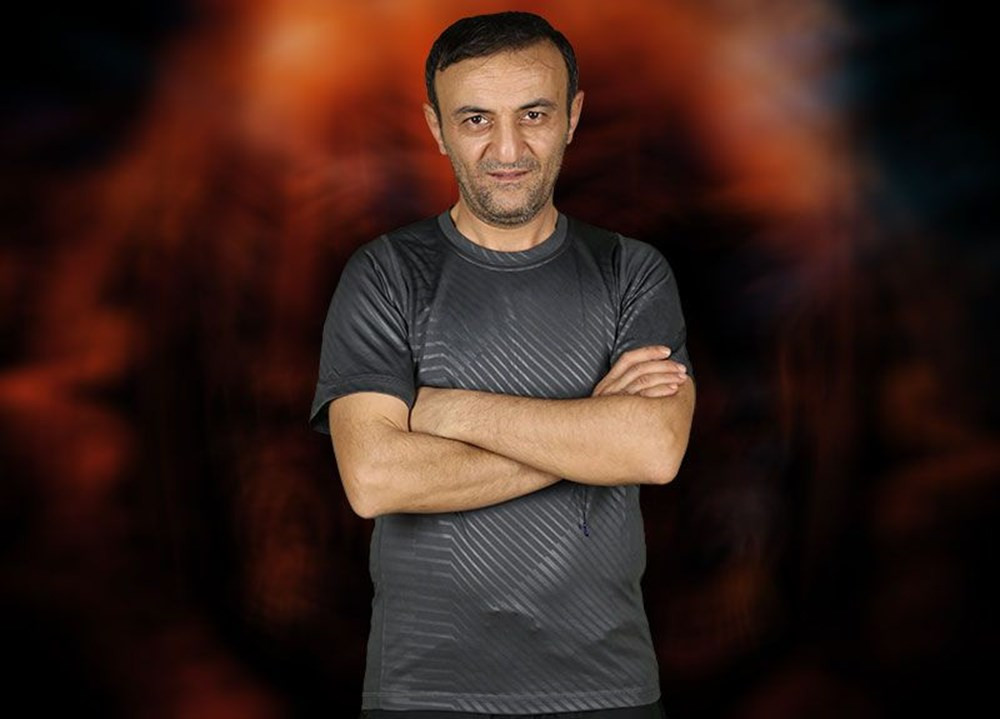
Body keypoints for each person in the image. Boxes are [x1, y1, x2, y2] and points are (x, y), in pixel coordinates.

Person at [309, 11, 695, 719]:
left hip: (606, 688)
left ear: (574, 117)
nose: (508, 148)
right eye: (476, 119)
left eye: (535, 114)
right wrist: (590, 433)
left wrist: (446, 409)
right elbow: (374, 479)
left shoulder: (631, 272)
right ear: (437, 127)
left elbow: (653, 449)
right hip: (423, 691)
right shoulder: (385, 275)